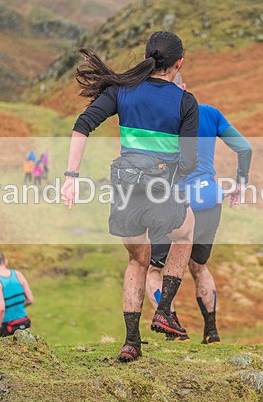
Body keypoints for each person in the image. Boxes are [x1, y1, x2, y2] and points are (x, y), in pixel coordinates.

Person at [61, 31, 199, 362]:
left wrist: (71, 178)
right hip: (159, 187)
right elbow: (191, 161)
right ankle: (164, 309)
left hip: (124, 190)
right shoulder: (185, 101)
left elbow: (83, 125)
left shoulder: (121, 91)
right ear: (178, 64)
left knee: (137, 259)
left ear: (145, 59)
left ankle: (131, 343)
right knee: (187, 231)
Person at [146, 74, 252, 344]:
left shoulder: (156, 121)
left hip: (176, 205)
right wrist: (240, 184)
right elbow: (244, 148)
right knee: (199, 267)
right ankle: (212, 333)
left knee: (152, 270)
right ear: (184, 87)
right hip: (209, 201)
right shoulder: (209, 113)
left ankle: (173, 327)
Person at [0, 250, 34, 337]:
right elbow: (30, 300)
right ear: (6, 261)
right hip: (24, 322)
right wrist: (16, 307)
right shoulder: (18, 274)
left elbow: (1, 308)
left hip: (7, 326)